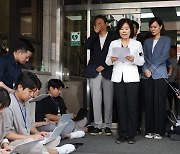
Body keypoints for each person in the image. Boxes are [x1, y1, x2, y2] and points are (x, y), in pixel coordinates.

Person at [3, 71, 76, 154]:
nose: (32, 95)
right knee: (33, 146)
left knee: (55, 137)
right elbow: (8, 135)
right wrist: (32, 137)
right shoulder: (8, 103)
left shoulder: (27, 102)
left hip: (28, 139)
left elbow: (29, 126)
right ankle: (56, 151)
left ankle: (42, 149)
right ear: (20, 87)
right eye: (30, 91)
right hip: (16, 142)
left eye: (34, 92)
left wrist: (39, 134)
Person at [105, 18, 144, 144]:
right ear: (119, 30)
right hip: (118, 78)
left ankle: (131, 134)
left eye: (127, 28)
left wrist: (134, 59)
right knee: (120, 106)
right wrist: (112, 59)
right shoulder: (113, 43)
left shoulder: (137, 44)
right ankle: (122, 134)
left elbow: (142, 61)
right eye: (122, 28)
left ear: (131, 30)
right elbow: (107, 61)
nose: (124, 31)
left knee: (132, 107)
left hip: (132, 78)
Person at [84, 15, 115, 136]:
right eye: (97, 23)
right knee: (95, 99)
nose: (99, 25)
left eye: (101, 23)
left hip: (108, 71)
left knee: (108, 100)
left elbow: (115, 56)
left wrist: (104, 66)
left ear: (106, 24)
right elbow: (86, 46)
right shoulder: (93, 37)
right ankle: (97, 125)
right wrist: (94, 33)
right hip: (94, 72)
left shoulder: (113, 38)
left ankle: (108, 125)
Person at [142, 17, 171, 139]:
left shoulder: (166, 40)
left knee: (159, 104)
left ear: (160, 27)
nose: (152, 29)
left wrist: (151, 70)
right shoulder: (147, 41)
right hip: (147, 76)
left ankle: (159, 131)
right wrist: (144, 70)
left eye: (155, 26)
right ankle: (149, 130)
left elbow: (163, 57)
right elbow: (142, 57)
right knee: (149, 104)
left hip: (160, 75)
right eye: (151, 27)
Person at [0, 87, 13, 154]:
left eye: (3, 107)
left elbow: (3, 136)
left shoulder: (2, 115)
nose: (2, 111)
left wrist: (5, 145)